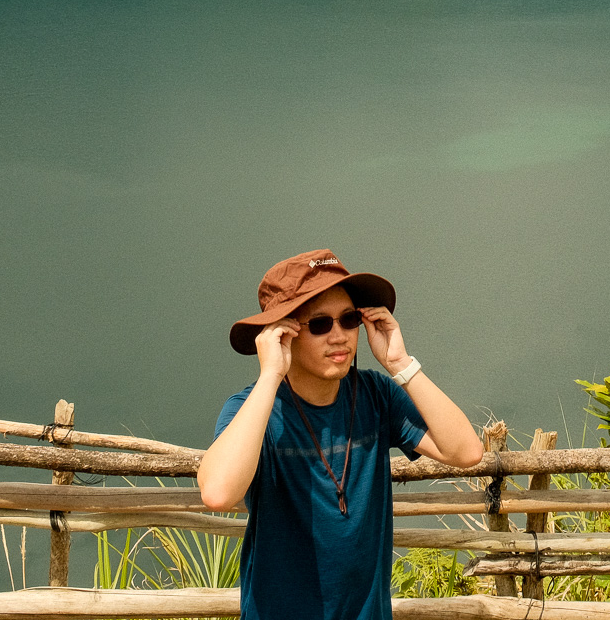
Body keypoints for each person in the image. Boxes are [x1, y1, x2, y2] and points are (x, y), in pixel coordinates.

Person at [198, 250, 484, 619]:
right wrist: (270, 375)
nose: (339, 336)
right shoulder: (252, 410)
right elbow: (219, 494)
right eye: (319, 324)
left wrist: (401, 364)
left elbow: (466, 452)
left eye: (349, 320)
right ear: (283, 333)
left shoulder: (377, 395)